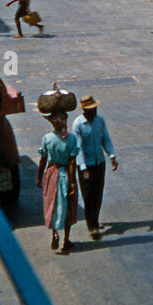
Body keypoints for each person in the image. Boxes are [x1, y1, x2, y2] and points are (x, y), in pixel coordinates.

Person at [74, 95, 118, 240]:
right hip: (85, 165)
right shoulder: (78, 125)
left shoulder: (100, 121)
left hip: (99, 163)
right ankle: (91, 226)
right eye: (91, 109)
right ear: (84, 111)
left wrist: (111, 156)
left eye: (95, 108)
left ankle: (95, 220)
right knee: (88, 196)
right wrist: (83, 168)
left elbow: (106, 139)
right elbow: (78, 147)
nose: (94, 111)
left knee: (98, 194)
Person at [37, 111, 79, 252]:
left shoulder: (47, 138)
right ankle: (66, 239)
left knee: (52, 204)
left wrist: (38, 177)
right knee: (69, 205)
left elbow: (43, 160)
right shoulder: (71, 139)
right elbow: (72, 162)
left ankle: (54, 233)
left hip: (52, 173)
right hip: (66, 173)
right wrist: (72, 181)